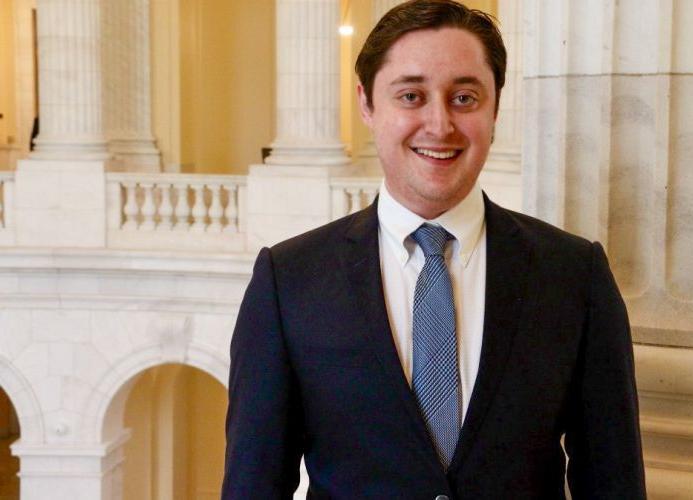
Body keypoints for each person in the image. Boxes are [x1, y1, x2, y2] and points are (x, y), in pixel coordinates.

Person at [222, 0, 646, 498]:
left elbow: (613, 481)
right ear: (367, 103)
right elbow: (253, 485)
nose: (440, 124)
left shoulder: (575, 276)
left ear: (495, 107)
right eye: (411, 96)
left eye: (465, 97)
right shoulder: (289, 281)